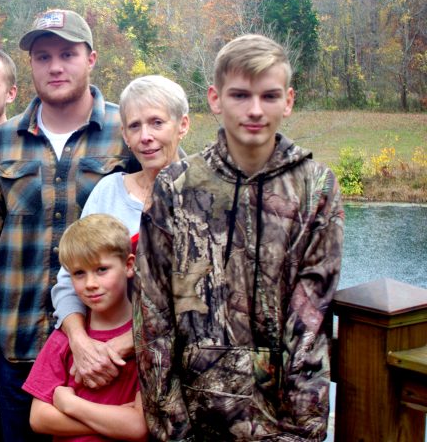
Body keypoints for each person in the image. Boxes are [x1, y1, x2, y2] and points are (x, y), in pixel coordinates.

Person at [134, 34, 344, 440]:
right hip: (192, 420)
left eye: (269, 96)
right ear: (215, 99)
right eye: (240, 95)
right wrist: (170, 424)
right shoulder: (175, 186)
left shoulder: (315, 186)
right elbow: (151, 313)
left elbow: (312, 317)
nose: (254, 110)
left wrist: (302, 428)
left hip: (284, 418)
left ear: (288, 100)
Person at [0, 9, 134, 441]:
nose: (55, 66)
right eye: (42, 56)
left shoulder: (127, 131)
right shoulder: (2, 141)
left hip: (107, 347)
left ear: (91, 58)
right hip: (17, 340)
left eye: (67, 54)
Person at [51, 75, 190, 390]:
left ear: (182, 125)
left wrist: (124, 344)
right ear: (125, 135)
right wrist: (80, 341)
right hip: (100, 365)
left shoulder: (205, 195)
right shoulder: (109, 192)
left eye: (157, 123)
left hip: (177, 371)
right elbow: (68, 279)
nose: (146, 137)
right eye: (135, 126)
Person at [23, 214, 147, 442]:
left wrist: (70, 404)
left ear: (129, 265)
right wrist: (115, 421)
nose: (90, 284)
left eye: (101, 269)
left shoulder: (147, 339)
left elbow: (138, 426)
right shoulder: (63, 337)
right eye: (79, 273)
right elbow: (39, 419)